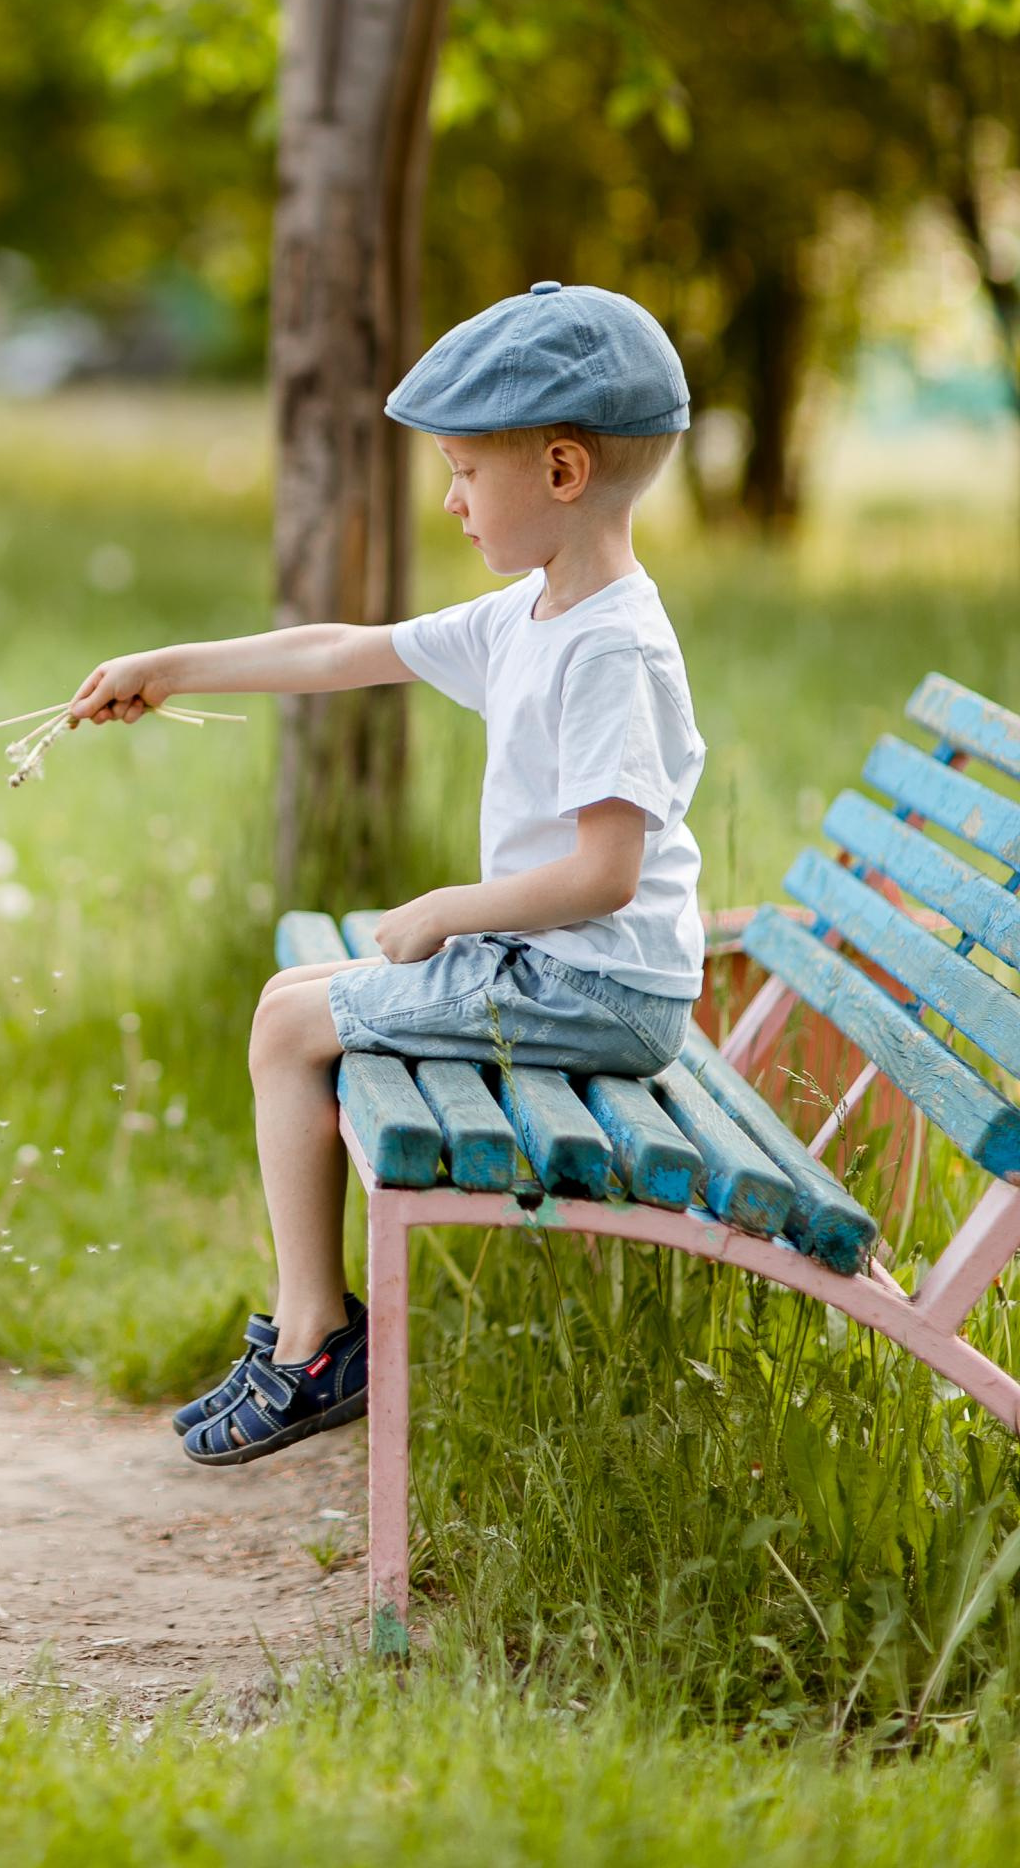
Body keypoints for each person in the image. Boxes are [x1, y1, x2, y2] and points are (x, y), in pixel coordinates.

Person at [67, 281, 705, 1467]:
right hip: (560, 973)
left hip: (593, 992)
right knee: (289, 1009)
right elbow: (343, 649)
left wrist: (443, 912)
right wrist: (175, 663)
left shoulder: (609, 646)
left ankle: (314, 1341)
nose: (451, 499)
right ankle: (312, 1325)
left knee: (284, 1027)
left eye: (465, 470)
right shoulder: (534, 613)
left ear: (562, 472)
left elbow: (607, 873)